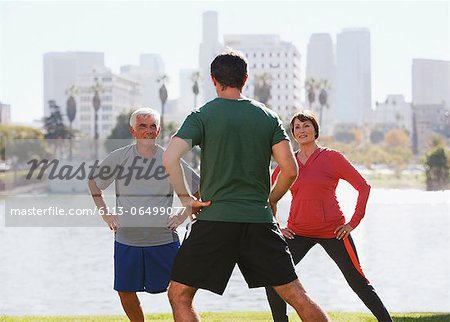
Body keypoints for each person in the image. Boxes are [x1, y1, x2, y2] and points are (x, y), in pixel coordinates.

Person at [163, 52, 329, 322]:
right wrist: (272, 199)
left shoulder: (202, 115)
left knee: (179, 294)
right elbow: (290, 170)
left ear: (214, 80)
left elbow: (169, 158)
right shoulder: (267, 117)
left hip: (215, 219)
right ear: (245, 79)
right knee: (296, 295)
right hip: (259, 220)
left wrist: (186, 198)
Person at [265, 110, 393, 322]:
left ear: (315, 130)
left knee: (358, 282)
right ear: (293, 134)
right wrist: (277, 226)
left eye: (306, 126)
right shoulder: (288, 163)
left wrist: (353, 223)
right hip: (298, 232)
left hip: (334, 232)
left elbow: (363, 186)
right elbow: (267, 196)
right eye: (297, 127)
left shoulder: (332, 158)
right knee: (274, 277)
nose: (302, 130)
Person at [88, 107, 200, 322]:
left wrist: (182, 215)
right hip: (127, 241)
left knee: (180, 293)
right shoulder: (119, 157)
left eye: (152, 127)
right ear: (133, 130)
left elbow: (197, 189)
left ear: (158, 131)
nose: (148, 131)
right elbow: (94, 184)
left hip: (163, 240)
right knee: (125, 292)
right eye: (142, 126)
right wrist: (107, 216)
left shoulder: (170, 159)